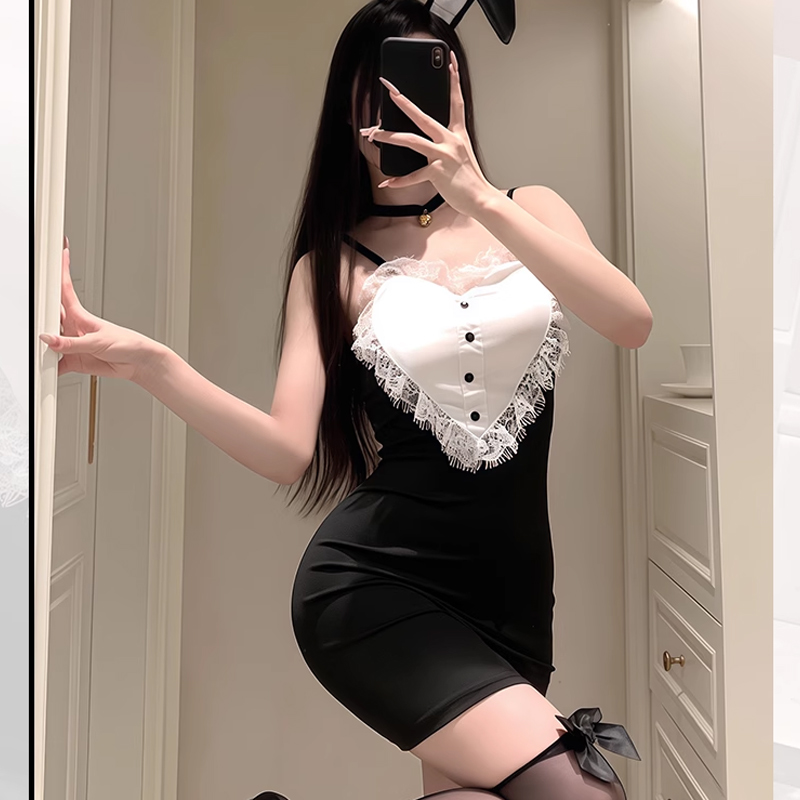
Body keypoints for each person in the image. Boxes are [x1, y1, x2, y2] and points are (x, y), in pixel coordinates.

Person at [40, 1, 652, 798]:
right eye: (381, 95)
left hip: (514, 593)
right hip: (373, 587)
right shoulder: (331, 265)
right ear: (349, 113)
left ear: (460, 98)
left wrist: (477, 196)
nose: (404, 113)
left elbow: (630, 322)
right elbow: (287, 450)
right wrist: (154, 365)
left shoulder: (530, 209)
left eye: (428, 88)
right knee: (585, 791)